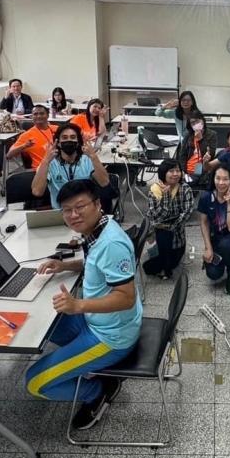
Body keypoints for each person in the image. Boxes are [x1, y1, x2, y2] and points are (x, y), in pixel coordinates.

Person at [25, 180, 141, 431]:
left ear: (97, 204)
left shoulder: (111, 244)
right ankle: (88, 366)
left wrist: (77, 305)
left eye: (80, 207)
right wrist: (64, 265)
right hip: (96, 321)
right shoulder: (98, 229)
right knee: (40, 321)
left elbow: (126, 298)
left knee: (34, 383)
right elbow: (96, 266)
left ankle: (97, 391)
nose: (73, 215)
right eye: (67, 210)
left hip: (111, 337)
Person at [31, 123, 111, 211]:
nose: (69, 140)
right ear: (58, 143)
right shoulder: (49, 163)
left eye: (73, 137)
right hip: (60, 211)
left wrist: (93, 156)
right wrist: (45, 161)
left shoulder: (87, 160)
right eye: (64, 138)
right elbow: (37, 191)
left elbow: (104, 182)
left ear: (78, 142)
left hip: (85, 211)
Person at [142, 160, 195, 280]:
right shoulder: (155, 190)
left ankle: (161, 258)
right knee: (149, 267)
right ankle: (161, 259)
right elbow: (158, 216)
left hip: (177, 233)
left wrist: (169, 226)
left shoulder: (185, 188)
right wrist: (166, 197)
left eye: (178, 170)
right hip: (161, 232)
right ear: (163, 173)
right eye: (171, 171)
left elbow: (186, 213)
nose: (175, 174)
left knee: (173, 262)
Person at [197, 165, 230, 294]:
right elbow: (204, 223)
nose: (221, 183)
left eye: (225, 179)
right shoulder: (206, 197)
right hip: (216, 237)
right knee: (213, 274)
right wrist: (208, 248)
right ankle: (222, 257)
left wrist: (229, 204)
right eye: (218, 178)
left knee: (226, 245)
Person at [6, 103, 58, 168]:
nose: (38, 116)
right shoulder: (26, 136)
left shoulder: (57, 129)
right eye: (35, 114)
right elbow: (9, 155)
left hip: (61, 167)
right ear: (31, 117)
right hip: (41, 169)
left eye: (42, 113)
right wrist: (24, 146)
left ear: (47, 115)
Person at [175, 110, 217, 185]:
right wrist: (183, 170)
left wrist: (201, 140)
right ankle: (187, 179)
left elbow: (211, 154)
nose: (195, 124)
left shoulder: (212, 135)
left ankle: (190, 181)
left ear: (202, 120)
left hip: (201, 166)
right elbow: (182, 155)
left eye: (197, 121)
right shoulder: (188, 135)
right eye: (192, 123)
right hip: (188, 166)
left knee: (194, 177)